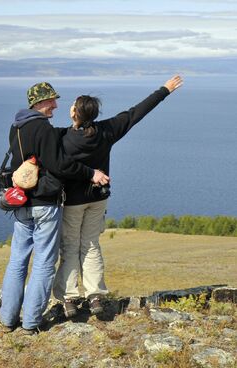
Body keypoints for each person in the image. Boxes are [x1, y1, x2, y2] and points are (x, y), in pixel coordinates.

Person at [53, 75, 184, 318]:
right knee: (91, 244)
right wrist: (164, 90)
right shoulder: (106, 131)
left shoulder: (63, 139)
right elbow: (137, 112)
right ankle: (95, 296)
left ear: (75, 114)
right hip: (98, 199)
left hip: (72, 201)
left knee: (70, 247)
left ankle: (69, 299)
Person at [0, 82, 109, 334]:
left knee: (17, 260)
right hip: (45, 205)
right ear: (38, 103)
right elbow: (59, 165)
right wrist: (90, 172)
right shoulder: (43, 128)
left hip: (21, 203)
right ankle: (30, 322)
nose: (55, 105)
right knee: (44, 262)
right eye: (51, 101)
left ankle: (7, 319)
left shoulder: (16, 127)